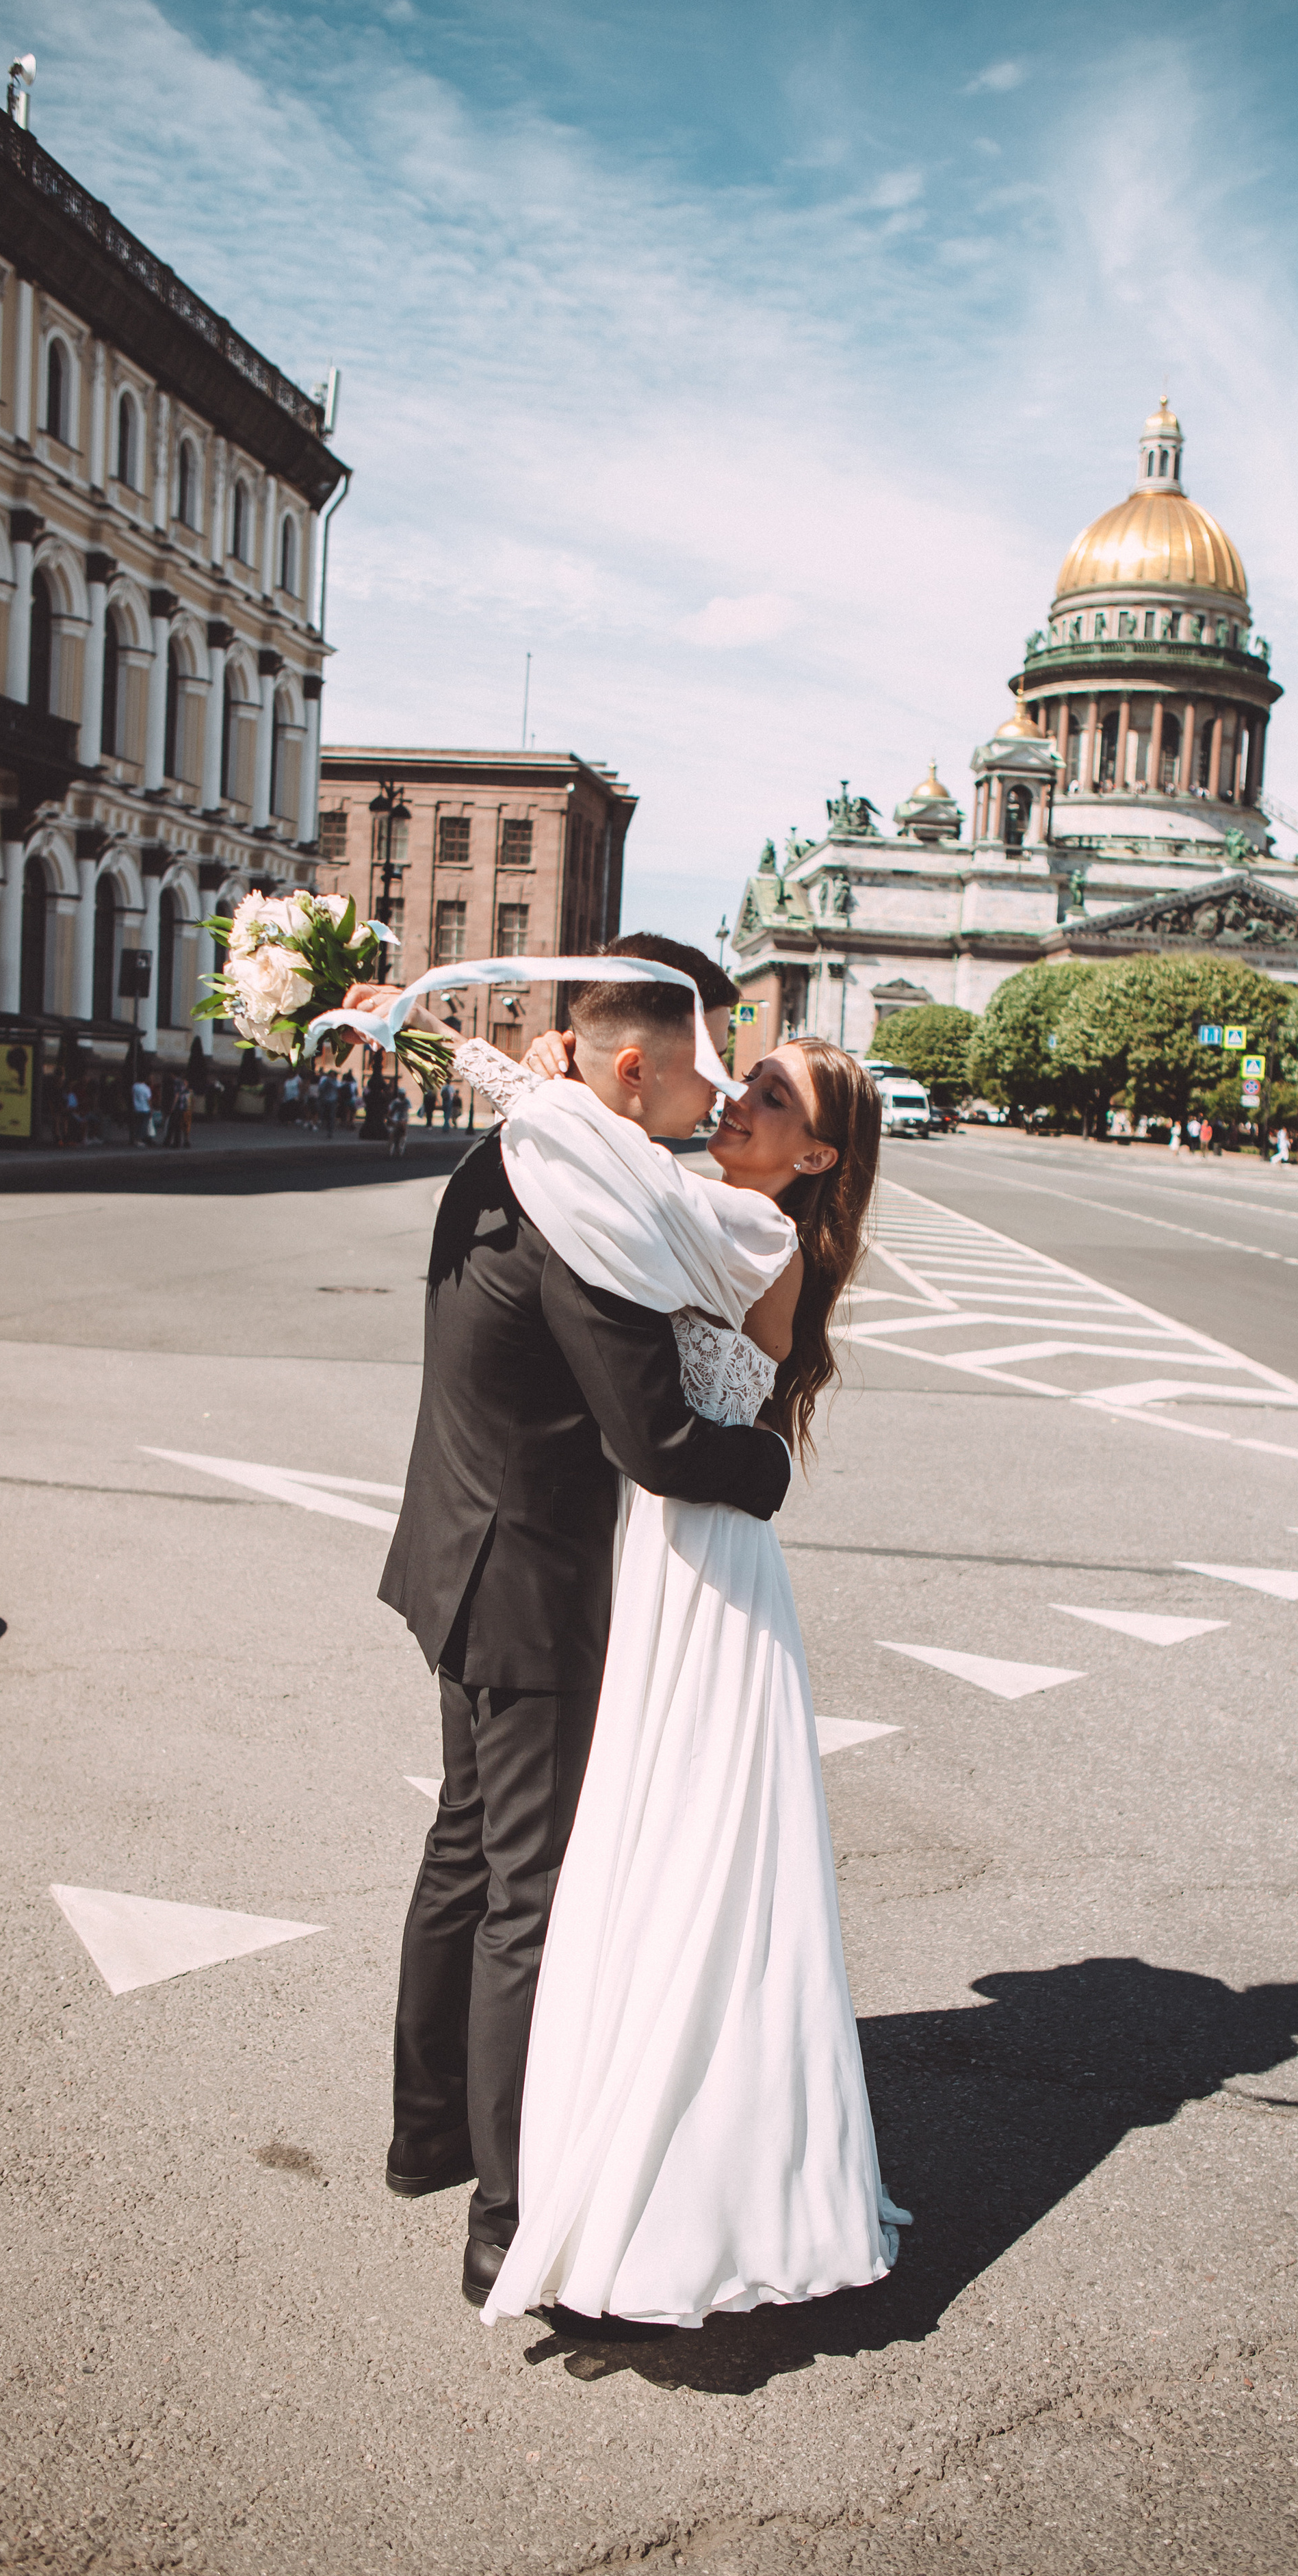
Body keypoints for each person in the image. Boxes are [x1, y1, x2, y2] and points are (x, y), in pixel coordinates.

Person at [354, 941, 792, 2315]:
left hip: (452, 1547)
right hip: (530, 1581)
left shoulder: (516, 1153)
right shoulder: (582, 1212)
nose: (706, 1096)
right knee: (523, 1903)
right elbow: (658, 1441)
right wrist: (765, 1470)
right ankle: (508, 2210)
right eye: (695, 1069)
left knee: (462, 1856)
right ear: (626, 1069)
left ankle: (425, 2132)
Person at [461, 1016, 906, 2330]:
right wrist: (518, 1070)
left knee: (686, 1860)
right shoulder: (703, 1202)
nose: (739, 1100)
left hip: (704, 1566)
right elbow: (601, 1154)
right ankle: (606, 2136)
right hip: (658, 1554)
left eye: (770, 1097)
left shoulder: (750, 1230)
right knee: (640, 1856)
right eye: (747, 1079)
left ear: (814, 1156)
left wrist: (523, 1076)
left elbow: (600, 1164)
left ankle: (684, 2189)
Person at [385, 1082, 411, 1158]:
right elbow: (390, 1111)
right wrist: (389, 1118)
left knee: (403, 1132)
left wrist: (405, 1120)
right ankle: (392, 1148)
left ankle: (401, 1144)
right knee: (392, 1134)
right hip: (395, 1119)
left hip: (402, 1119)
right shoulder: (395, 1102)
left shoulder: (407, 1101)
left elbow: (407, 1111)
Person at [129, 1071, 153, 1146]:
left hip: (137, 1108)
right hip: (145, 1109)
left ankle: (135, 1139)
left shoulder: (134, 1086)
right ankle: (139, 1140)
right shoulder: (146, 1089)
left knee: (137, 1125)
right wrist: (151, 1109)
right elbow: (149, 1100)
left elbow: (132, 1095)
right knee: (143, 1126)